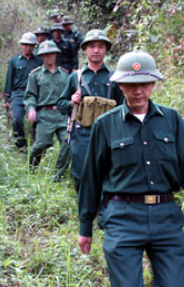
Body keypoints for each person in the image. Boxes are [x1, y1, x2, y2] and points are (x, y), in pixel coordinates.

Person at [77, 51, 184, 287]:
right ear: (120, 85)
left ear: (153, 83)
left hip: (165, 217)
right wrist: (85, 226)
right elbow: (92, 178)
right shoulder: (106, 125)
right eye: (131, 85)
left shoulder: (171, 119)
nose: (138, 90)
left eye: (144, 83)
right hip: (123, 218)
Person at [57, 29, 125, 192]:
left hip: (109, 136)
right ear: (85, 49)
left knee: (107, 176)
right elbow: (60, 104)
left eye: (101, 46)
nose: (96, 50)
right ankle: (84, 213)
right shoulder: (76, 77)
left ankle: (103, 212)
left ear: (106, 50)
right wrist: (71, 101)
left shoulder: (115, 77)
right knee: (80, 175)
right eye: (92, 46)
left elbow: (124, 108)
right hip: (81, 136)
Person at [24, 41, 70, 180]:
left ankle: (57, 175)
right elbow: (30, 96)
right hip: (44, 115)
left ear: (55, 54)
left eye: (51, 54)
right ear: (42, 57)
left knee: (68, 143)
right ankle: (31, 170)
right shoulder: (35, 75)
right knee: (41, 145)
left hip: (62, 115)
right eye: (45, 55)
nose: (49, 57)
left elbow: (70, 94)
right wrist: (31, 109)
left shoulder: (65, 75)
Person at [3, 32, 43, 151]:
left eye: (31, 45)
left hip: (35, 94)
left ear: (35, 46)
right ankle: (22, 145)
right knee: (17, 119)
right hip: (18, 94)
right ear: (21, 45)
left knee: (38, 119)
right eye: (25, 45)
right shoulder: (14, 61)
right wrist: (7, 98)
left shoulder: (39, 61)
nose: (28, 47)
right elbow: (9, 79)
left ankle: (37, 145)